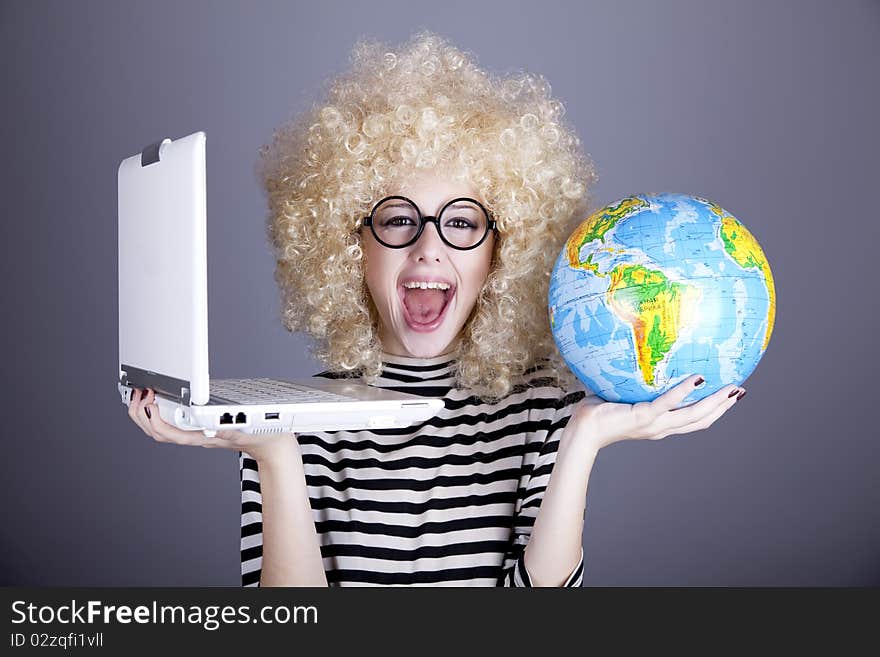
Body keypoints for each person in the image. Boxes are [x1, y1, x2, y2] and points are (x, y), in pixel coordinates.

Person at [126, 31, 745, 587]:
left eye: (462, 223)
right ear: (350, 244)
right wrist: (277, 452)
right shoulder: (289, 418)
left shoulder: (543, 411)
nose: (429, 248)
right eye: (398, 220)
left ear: (502, 251)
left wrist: (582, 438)